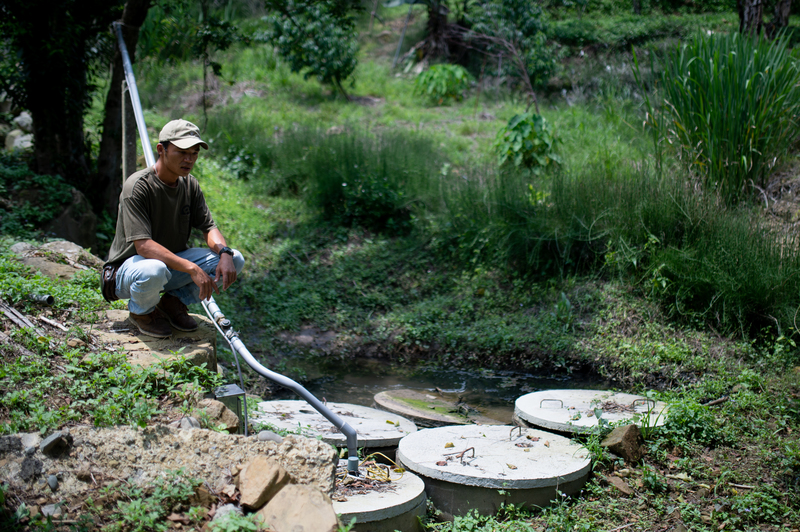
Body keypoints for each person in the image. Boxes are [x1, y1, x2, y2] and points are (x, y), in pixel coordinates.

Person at [103, 119, 245, 338]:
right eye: (182, 152)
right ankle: (141, 312)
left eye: (194, 153)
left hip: (169, 264)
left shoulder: (190, 184)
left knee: (235, 259)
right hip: (128, 271)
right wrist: (191, 268)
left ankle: (171, 302)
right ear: (162, 149)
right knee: (153, 269)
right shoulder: (138, 186)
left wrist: (224, 253)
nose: (189, 159)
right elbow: (144, 247)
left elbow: (208, 227)